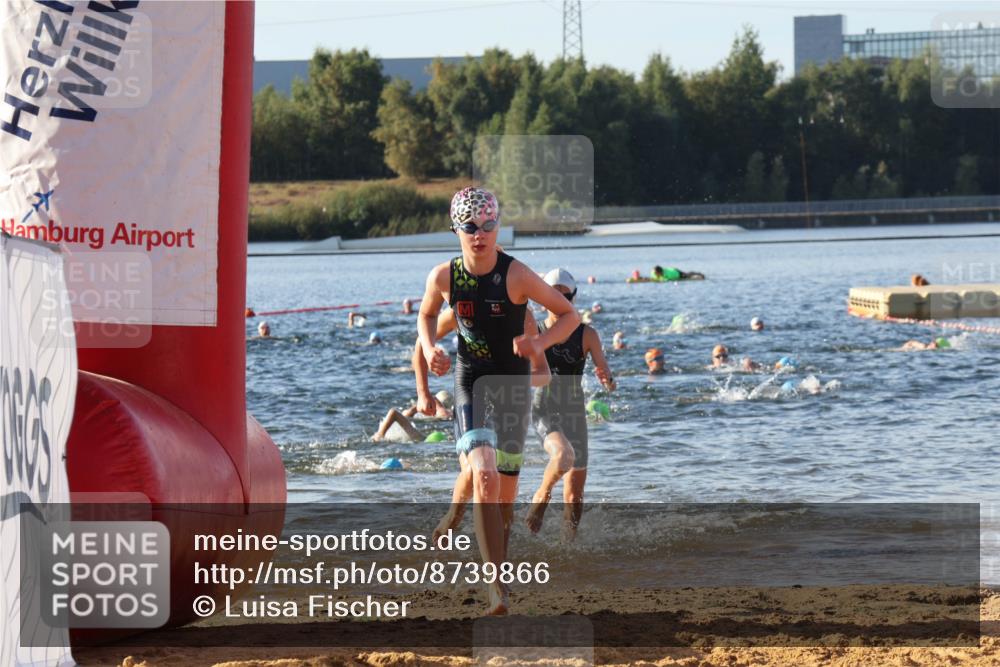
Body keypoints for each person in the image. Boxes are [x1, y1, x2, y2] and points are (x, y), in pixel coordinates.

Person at [417, 186, 579, 615]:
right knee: (484, 476)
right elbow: (427, 315)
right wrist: (429, 348)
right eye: (470, 226)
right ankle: (496, 590)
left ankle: (494, 570)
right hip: (472, 382)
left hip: (512, 388)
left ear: (498, 226)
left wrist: (539, 342)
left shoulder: (517, 276)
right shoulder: (444, 277)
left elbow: (570, 315)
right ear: (455, 228)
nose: (479, 234)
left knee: (503, 501)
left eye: (488, 225)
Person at [526, 268, 615, 539]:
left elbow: (609, 380)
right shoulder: (535, 331)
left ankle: (569, 547)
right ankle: (542, 494)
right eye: (553, 295)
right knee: (563, 456)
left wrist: (607, 379)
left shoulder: (587, 335)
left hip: (575, 414)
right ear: (543, 299)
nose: (559, 300)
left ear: (573, 298)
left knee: (575, 495)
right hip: (544, 410)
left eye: (565, 296)